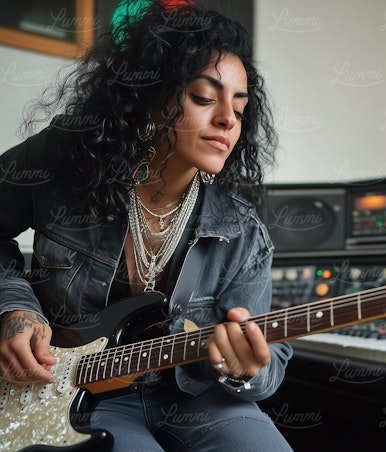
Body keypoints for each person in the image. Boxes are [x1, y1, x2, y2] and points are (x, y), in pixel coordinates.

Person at [0, 0, 293, 450]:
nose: (227, 120)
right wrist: (14, 306)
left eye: (239, 106)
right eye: (203, 97)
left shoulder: (243, 231)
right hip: (71, 388)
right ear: (149, 97)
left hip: (196, 397)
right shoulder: (61, 159)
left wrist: (248, 367)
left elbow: (267, 361)